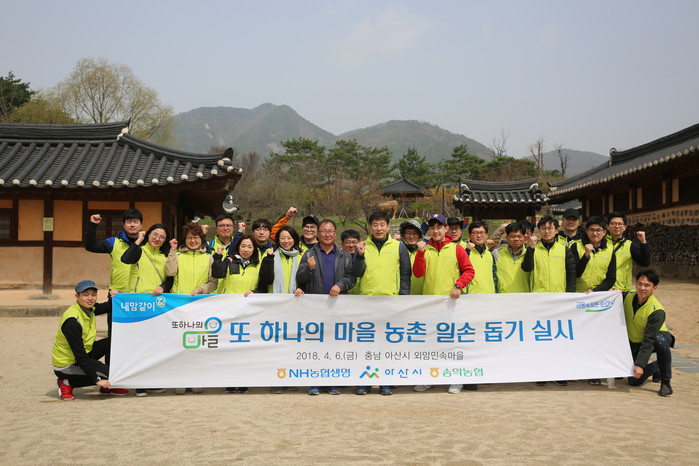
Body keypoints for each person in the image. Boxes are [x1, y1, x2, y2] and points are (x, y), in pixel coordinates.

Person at [412, 214, 475, 394]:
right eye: (432, 228)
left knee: (452, 342)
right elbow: (418, 273)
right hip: (430, 304)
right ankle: (429, 378)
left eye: (439, 227)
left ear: (446, 229)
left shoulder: (456, 248)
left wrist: (458, 285)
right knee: (430, 342)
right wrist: (420, 253)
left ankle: (455, 378)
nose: (436, 231)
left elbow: (469, 271)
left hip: (451, 305)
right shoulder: (424, 249)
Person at [295, 220, 356, 396]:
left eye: (330, 231)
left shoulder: (345, 256)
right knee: (315, 346)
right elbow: (300, 279)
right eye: (323, 231)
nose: (327, 234)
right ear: (318, 234)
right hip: (315, 309)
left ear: (335, 233)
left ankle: (332, 381)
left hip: (337, 308)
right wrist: (309, 269)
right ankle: (314, 382)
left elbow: (351, 278)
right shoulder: (309, 254)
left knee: (335, 345)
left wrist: (340, 285)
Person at [52, 280, 128, 400]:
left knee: (112, 342)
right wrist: (96, 379)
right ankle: (67, 382)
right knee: (112, 375)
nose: (90, 298)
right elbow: (80, 356)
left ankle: (107, 382)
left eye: (93, 294)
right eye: (85, 295)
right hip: (67, 364)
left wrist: (115, 296)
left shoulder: (90, 309)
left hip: (84, 354)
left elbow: (109, 306)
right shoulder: (72, 322)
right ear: (77, 296)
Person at [625, 269, 674, 397]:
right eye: (640, 284)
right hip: (635, 341)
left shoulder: (657, 311)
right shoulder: (628, 296)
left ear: (654, 288)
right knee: (633, 381)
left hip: (655, 338)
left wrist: (640, 365)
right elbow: (613, 297)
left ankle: (666, 381)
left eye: (647, 285)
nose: (642, 288)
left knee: (660, 340)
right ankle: (656, 366)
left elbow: (649, 339)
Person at [85, 209, 143, 293]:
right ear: (123, 225)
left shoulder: (147, 244)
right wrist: (93, 225)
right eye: (129, 222)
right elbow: (91, 246)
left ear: (141, 225)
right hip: (116, 293)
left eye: (136, 222)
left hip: (141, 293)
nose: (132, 225)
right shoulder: (113, 242)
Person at [522, 216, 576, 294]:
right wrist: (530, 248)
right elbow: (527, 268)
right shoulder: (533, 249)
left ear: (556, 230)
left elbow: (571, 275)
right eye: (543, 228)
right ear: (539, 230)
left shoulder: (565, 250)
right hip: (538, 295)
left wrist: (569, 295)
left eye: (550, 228)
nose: (546, 231)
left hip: (559, 295)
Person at [166, 222, 218, 297]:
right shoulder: (177, 256)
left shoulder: (209, 258)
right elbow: (170, 273)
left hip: (200, 300)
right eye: (189, 238)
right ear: (185, 239)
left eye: (196, 237)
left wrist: (200, 290)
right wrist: (173, 250)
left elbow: (213, 283)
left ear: (201, 238)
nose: (193, 241)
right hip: (179, 300)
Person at [120, 223, 173, 295]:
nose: (157, 239)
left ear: (165, 240)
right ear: (148, 234)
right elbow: (125, 259)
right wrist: (139, 240)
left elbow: (171, 278)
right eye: (155, 234)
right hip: (139, 297)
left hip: (158, 298)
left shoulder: (167, 256)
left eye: (162, 237)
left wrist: (163, 287)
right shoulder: (139, 251)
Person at [606, 212, 651, 292]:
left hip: (623, 290)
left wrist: (643, 242)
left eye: (620, 224)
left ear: (625, 227)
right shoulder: (600, 243)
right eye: (613, 223)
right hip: (604, 289)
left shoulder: (630, 245)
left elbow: (645, 262)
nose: (617, 226)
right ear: (607, 226)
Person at [572, 216, 616, 294]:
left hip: (598, 295)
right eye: (591, 230)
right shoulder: (576, 246)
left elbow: (611, 278)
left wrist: (595, 291)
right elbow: (575, 273)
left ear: (604, 232)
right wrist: (586, 256)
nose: (595, 233)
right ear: (586, 231)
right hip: (578, 294)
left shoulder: (610, 250)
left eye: (598, 230)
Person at [495, 222, 531, 293]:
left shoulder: (530, 254)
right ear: (507, 237)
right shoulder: (496, 253)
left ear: (524, 237)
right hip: (503, 296)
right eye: (512, 236)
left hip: (525, 296)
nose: (516, 239)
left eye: (519, 236)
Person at [464, 221, 497, 294]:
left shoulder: (489, 254)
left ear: (487, 235)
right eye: (475, 233)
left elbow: (494, 276)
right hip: (470, 296)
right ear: (469, 235)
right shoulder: (465, 253)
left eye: (482, 233)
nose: (479, 235)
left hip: (489, 295)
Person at [399, 220, 425, 295]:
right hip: (401, 295)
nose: (411, 236)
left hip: (422, 296)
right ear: (403, 235)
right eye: (408, 233)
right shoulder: (398, 251)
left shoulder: (426, 252)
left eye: (415, 233)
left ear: (419, 235)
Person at [340, 229, 362, 294]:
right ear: (342, 244)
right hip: (341, 294)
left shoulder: (363, 258)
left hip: (360, 294)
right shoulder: (337, 259)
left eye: (354, 242)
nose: (351, 245)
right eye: (347, 242)